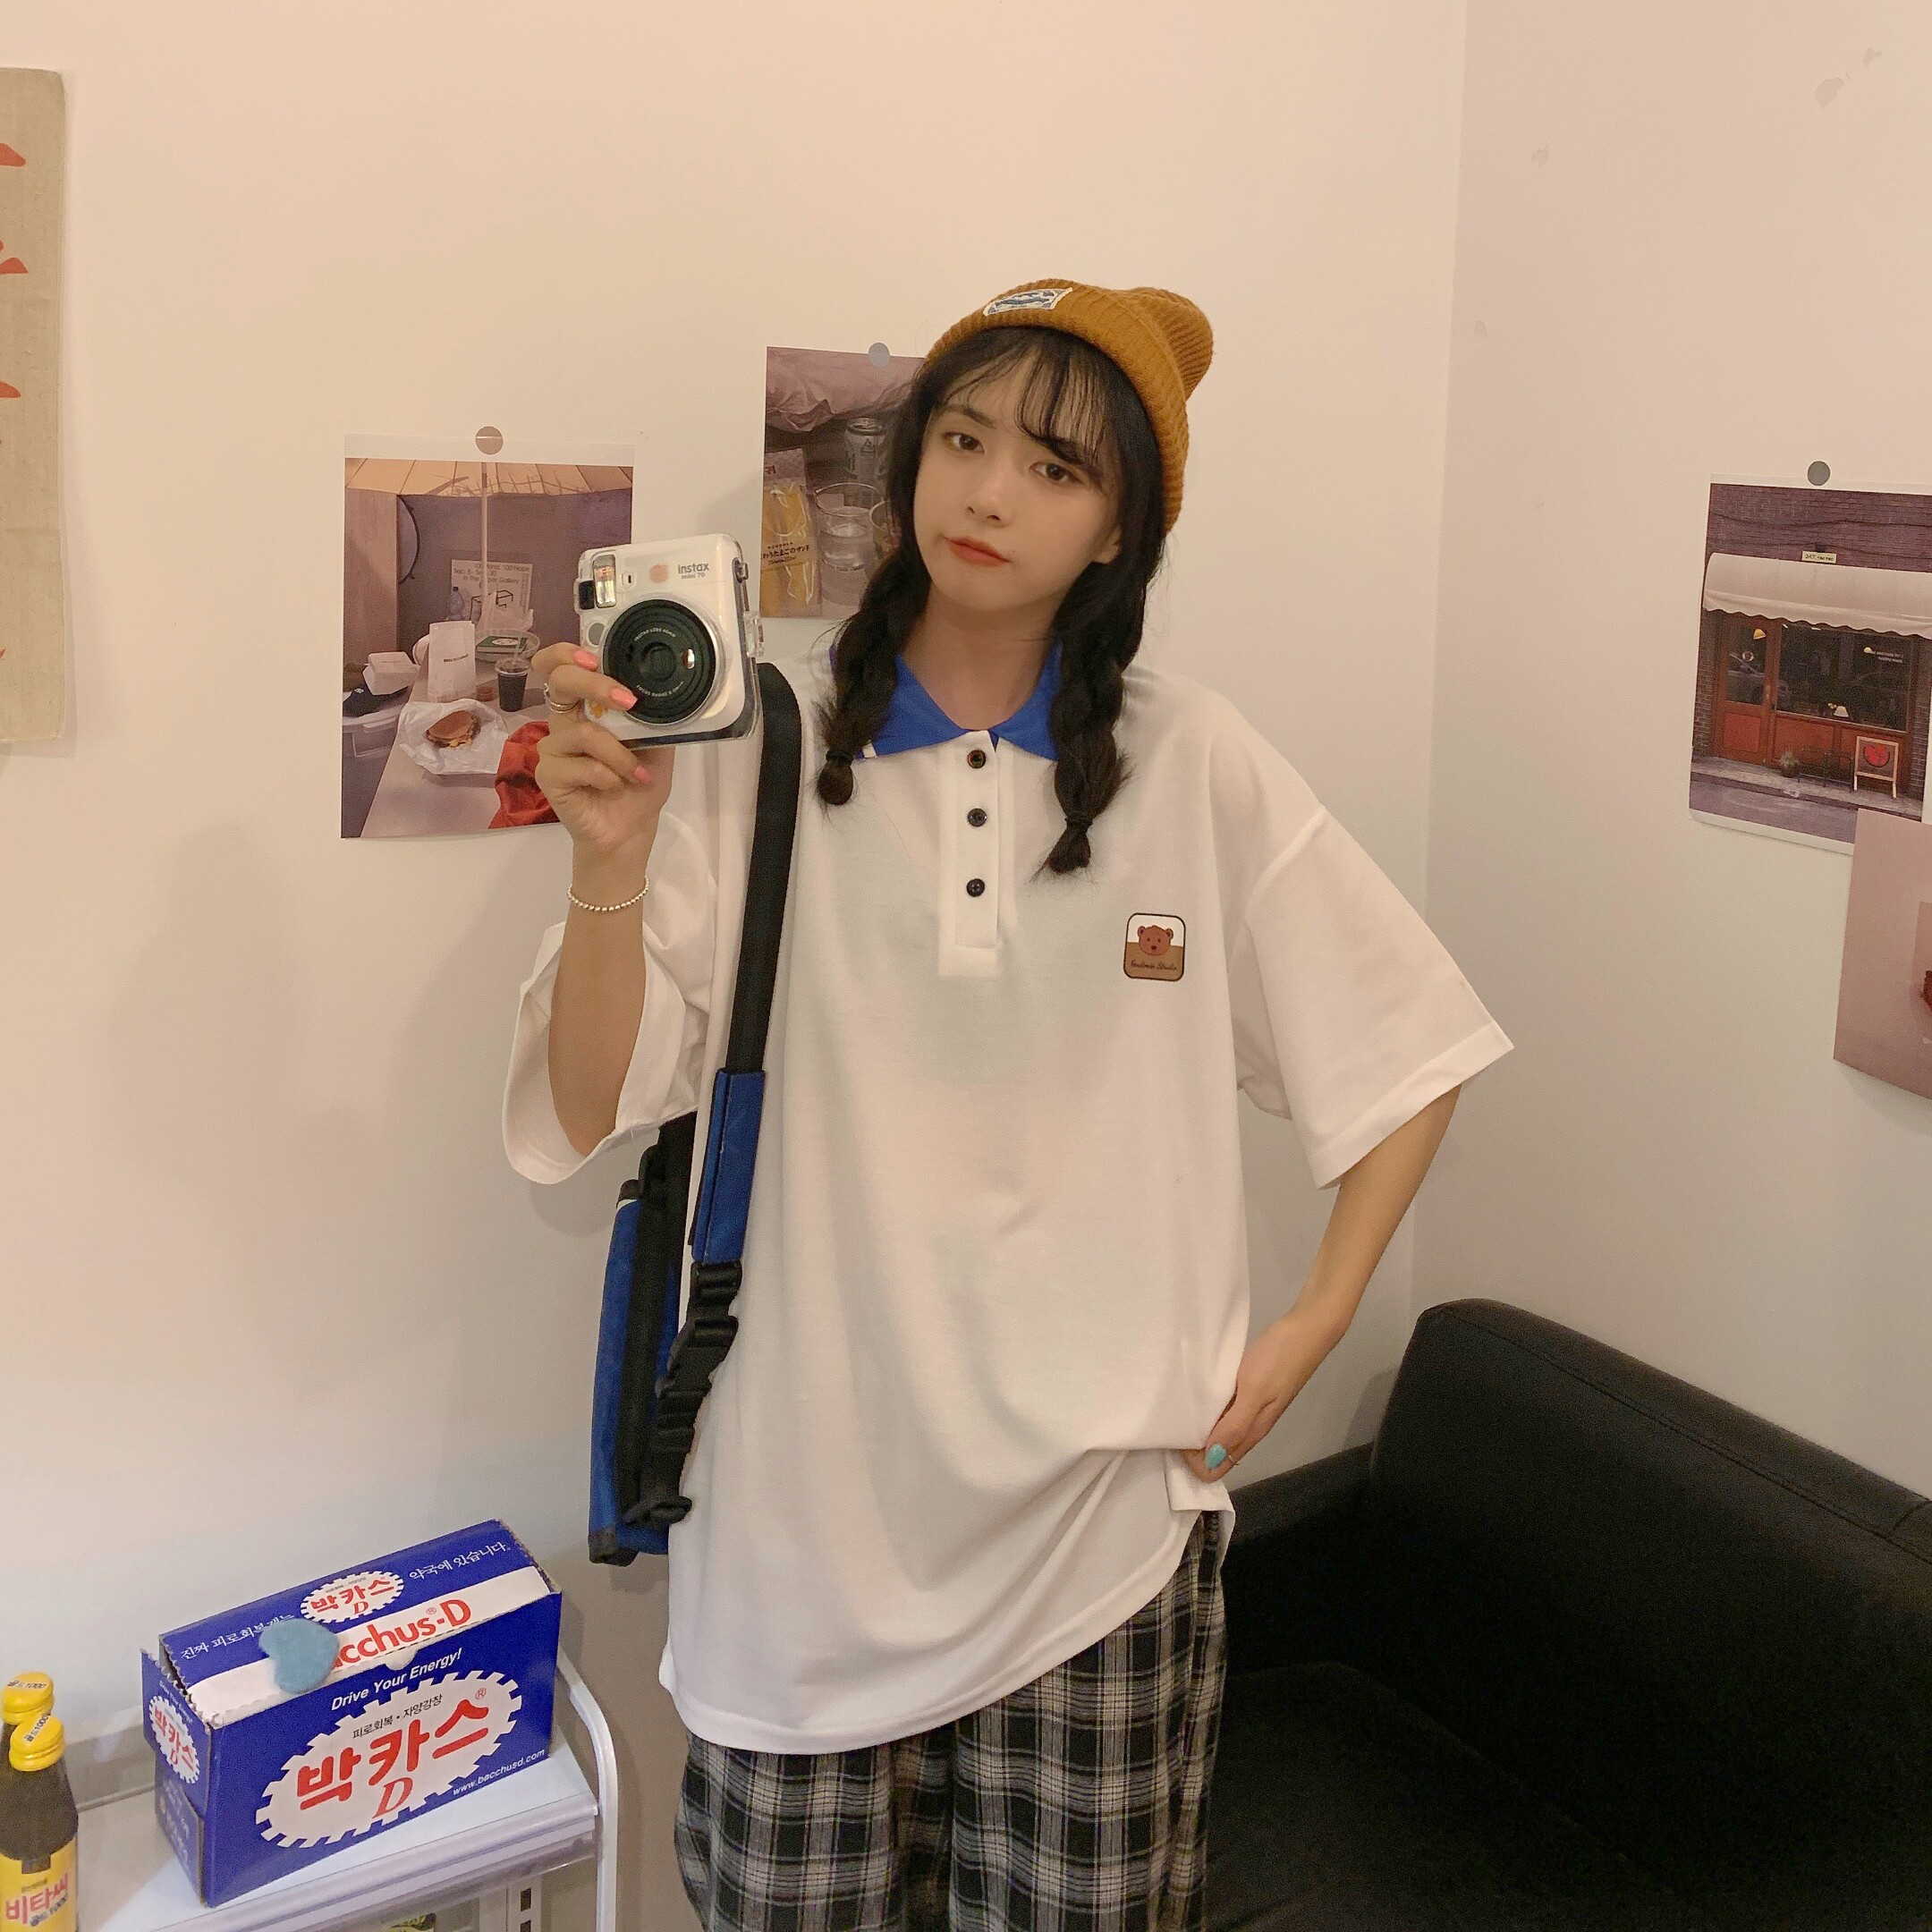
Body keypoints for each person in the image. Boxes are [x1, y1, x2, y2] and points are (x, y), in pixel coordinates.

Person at [503, 278, 1513, 1931]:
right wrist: (608, 861)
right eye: (962, 440)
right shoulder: (760, 742)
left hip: (1099, 1545)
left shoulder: (1191, 761)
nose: (988, 493)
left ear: (1121, 529)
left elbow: (1409, 1049)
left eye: (1055, 468)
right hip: (803, 1542)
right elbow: (590, 1097)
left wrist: (1317, 1322)